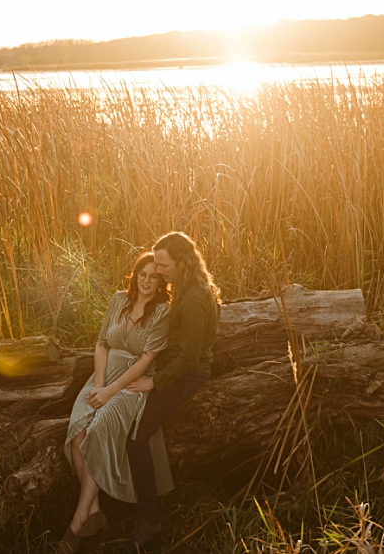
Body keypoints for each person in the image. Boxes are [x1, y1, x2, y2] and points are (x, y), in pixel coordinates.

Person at [58, 252, 173, 553]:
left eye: (153, 276)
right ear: (135, 276)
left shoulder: (162, 312)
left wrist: (111, 391)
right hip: (101, 377)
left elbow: (147, 359)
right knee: (77, 434)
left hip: (131, 384)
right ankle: (95, 511)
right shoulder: (118, 300)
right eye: (142, 275)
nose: (147, 281)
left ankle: (78, 521)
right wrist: (99, 384)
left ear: (161, 280)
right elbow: (101, 343)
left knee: (100, 430)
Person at [124, 231, 222, 548]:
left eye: (164, 265)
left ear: (181, 263)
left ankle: (150, 519)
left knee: (137, 437)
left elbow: (191, 359)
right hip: (173, 370)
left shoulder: (193, 300)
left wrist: (155, 381)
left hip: (187, 377)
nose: (159, 270)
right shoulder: (185, 288)